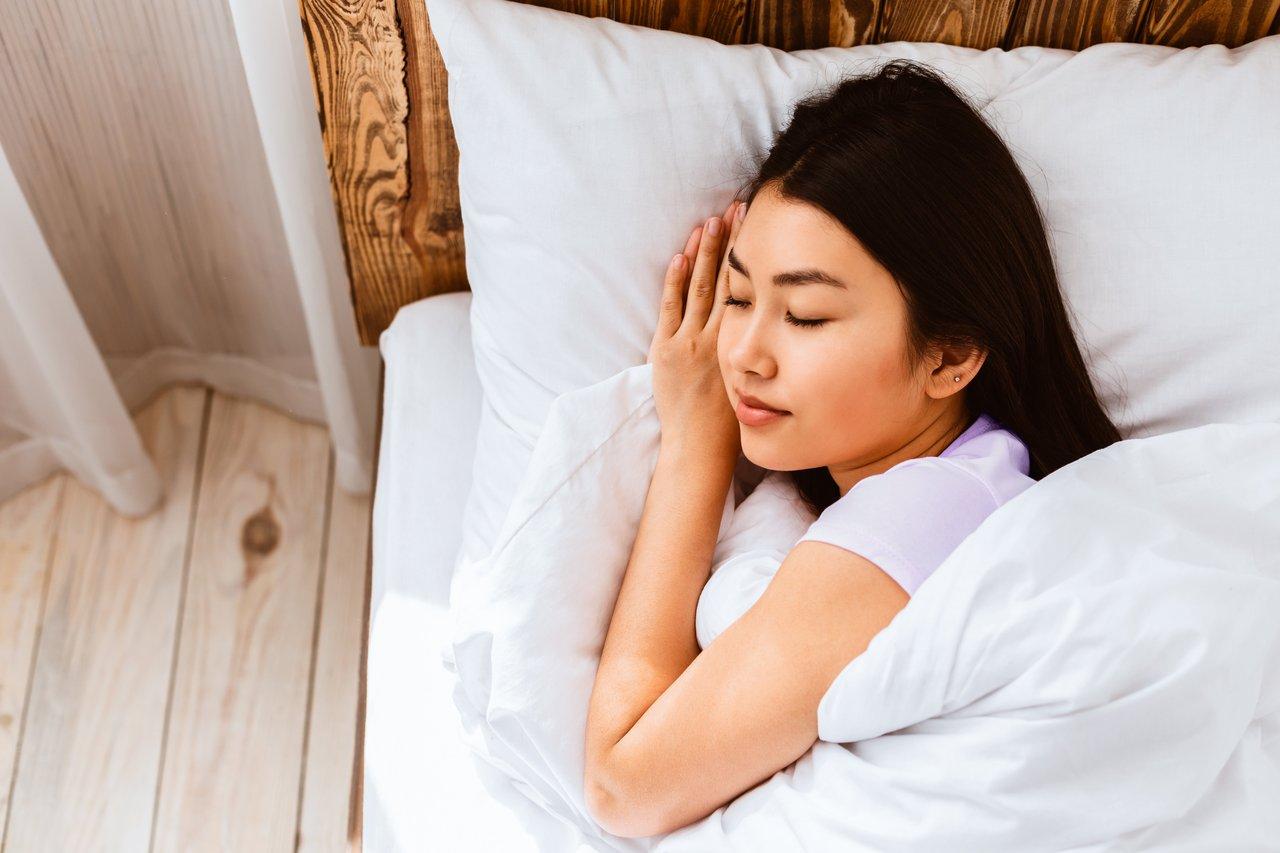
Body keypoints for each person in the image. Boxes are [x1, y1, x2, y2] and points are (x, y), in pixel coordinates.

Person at [584, 58, 1123, 839]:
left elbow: (622, 785)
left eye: (804, 315)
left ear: (950, 356)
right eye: (737, 297)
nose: (742, 353)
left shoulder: (928, 506)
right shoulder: (979, 478)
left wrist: (695, 447)